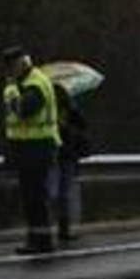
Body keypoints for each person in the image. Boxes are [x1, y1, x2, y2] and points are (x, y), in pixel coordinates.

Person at [0, 46, 60, 254]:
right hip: (27, 148)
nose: (9, 71)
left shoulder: (35, 83)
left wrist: (11, 92)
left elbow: (25, 110)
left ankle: (42, 241)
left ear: (21, 64)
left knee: (35, 197)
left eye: (11, 66)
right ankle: (37, 238)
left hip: (38, 147)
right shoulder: (24, 82)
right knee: (30, 198)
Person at [50, 82, 89, 243]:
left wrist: (73, 108)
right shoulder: (49, 110)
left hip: (67, 155)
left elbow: (83, 123)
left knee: (64, 194)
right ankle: (51, 227)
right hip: (54, 155)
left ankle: (63, 229)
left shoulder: (70, 109)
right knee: (53, 193)